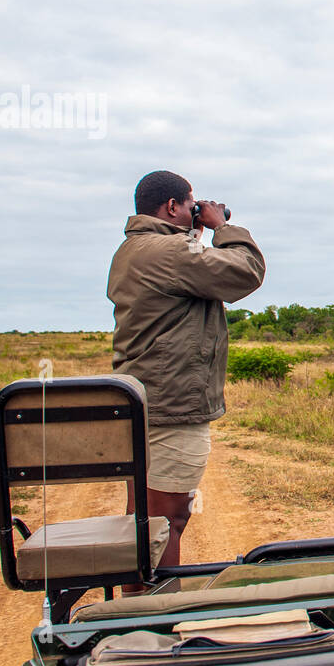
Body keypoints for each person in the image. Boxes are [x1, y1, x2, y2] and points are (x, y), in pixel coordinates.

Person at [106, 170, 265, 583]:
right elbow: (245, 273)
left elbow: (188, 268)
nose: (198, 210)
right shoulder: (166, 252)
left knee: (145, 517)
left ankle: (139, 608)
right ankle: (158, 618)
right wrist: (222, 227)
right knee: (167, 521)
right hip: (170, 404)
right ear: (172, 207)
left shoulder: (137, 248)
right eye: (190, 204)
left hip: (146, 398)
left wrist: (194, 230)